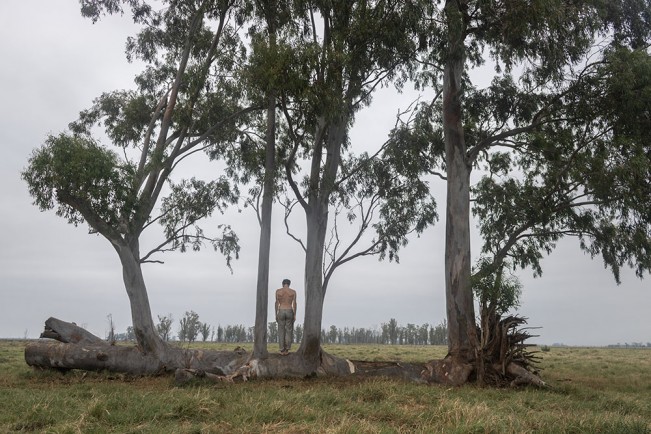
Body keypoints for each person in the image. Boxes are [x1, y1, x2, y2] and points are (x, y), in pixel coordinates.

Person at [275, 278, 297, 355]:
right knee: (289, 330)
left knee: (281, 330)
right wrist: (294, 314)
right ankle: (287, 349)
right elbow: (294, 303)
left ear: (283, 284)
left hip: (281, 310)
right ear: (289, 284)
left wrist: (276, 314)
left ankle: (281, 349)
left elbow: (277, 303)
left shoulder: (278, 291)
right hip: (289, 310)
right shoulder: (293, 292)